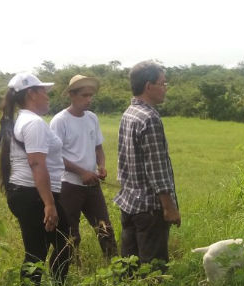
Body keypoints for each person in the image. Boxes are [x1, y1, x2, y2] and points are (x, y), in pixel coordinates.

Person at [0, 72, 71, 286]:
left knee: (49, 247)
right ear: (31, 94)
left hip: (28, 194)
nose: (48, 96)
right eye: (44, 92)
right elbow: (36, 163)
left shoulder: (23, 120)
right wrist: (49, 204)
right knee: (48, 249)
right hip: (34, 195)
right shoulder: (33, 123)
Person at [113, 61, 180, 271]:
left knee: (129, 267)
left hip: (130, 203)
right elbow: (156, 168)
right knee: (153, 269)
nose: (165, 88)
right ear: (149, 86)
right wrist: (169, 207)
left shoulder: (130, 112)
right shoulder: (150, 118)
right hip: (150, 208)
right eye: (162, 83)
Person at [50, 75, 117, 261]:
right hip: (68, 185)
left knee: (105, 229)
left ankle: (117, 267)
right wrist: (81, 172)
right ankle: (69, 269)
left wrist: (101, 166)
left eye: (90, 95)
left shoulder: (92, 118)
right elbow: (55, 156)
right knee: (70, 234)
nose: (89, 99)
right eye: (84, 95)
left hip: (92, 184)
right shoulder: (60, 120)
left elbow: (98, 147)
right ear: (72, 95)